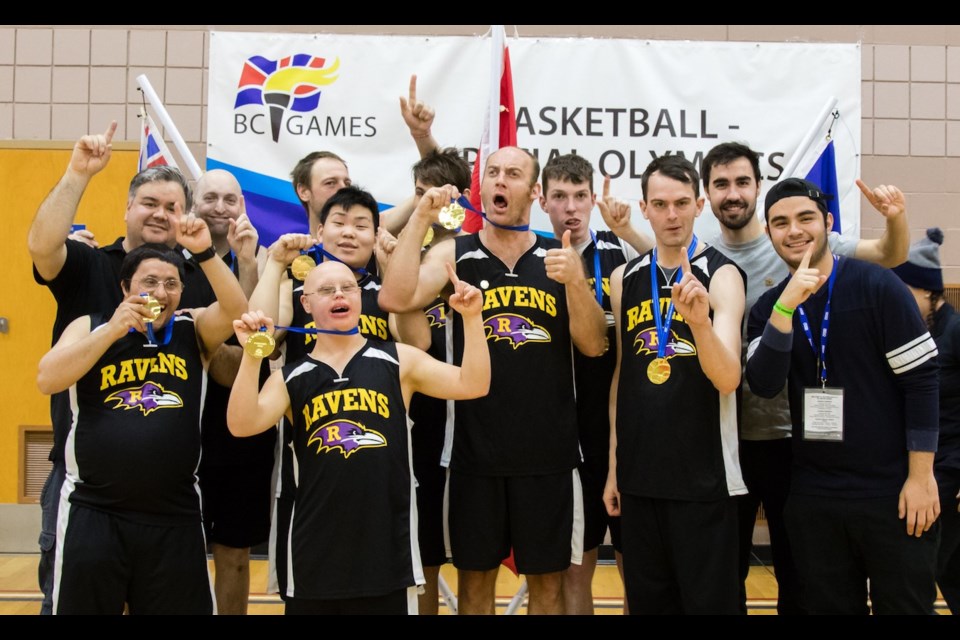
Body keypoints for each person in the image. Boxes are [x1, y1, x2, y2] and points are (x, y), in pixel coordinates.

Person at [379, 148, 607, 615]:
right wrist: (422, 217)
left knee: (548, 586)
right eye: (493, 173)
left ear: (534, 191)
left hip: (548, 454)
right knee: (474, 585)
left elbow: (592, 345)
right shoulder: (453, 252)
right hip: (471, 450)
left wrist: (577, 283)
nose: (500, 181)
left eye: (513, 173)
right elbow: (396, 296)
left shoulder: (558, 258)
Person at [700, 141, 911, 614]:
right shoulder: (704, 255)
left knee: (801, 570)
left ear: (757, 187)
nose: (732, 193)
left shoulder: (797, 236)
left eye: (741, 182)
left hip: (794, 437)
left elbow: (889, 254)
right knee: (722, 566)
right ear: (707, 195)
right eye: (720, 185)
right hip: (727, 435)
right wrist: (628, 227)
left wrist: (895, 217)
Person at [227, 259, 490, 614]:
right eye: (326, 290)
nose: (339, 294)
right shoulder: (291, 377)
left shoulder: (398, 360)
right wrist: (250, 355)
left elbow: (473, 384)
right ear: (305, 304)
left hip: (387, 550)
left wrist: (472, 320)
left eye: (347, 287)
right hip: (314, 551)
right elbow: (242, 424)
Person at [26, 122, 216, 614]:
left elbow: (231, 335)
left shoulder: (195, 280)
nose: (160, 214)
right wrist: (78, 172)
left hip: (171, 497)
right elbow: (42, 248)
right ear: (127, 208)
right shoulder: (92, 264)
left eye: (173, 207)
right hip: (84, 487)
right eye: (149, 203)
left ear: (185, 217)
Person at [36, 210, 247, 614]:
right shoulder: (91, 325)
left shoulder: (192, 328)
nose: (161, 291)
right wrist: (113, 329)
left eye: (171, 284)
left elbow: (236, 308)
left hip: (175, 513)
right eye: (149, 281)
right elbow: (48, 378)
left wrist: (204, 252)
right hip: (94, 510)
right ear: (124, 287)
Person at [746, 178, 940, 615]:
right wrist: (784, 309)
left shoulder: (877, 287)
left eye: (805, 219)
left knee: (906, 607)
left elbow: (923, 382)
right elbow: (763, 384)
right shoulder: (770, 307)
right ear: (769, 232)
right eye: (780, 223)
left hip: (892, 490)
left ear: (828, 224)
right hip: (814, 496)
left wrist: (921, 477)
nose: (793, 230)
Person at [603, 155, 746, 614]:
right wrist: (613, 465)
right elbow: (623, 377)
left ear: (699, 204)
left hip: (704, 480)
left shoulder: (722, 275)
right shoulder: (625, 278)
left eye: (682, 203)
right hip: (641, 477)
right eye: (660, 204)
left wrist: (700, 325)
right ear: (643, 207)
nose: (671, 215)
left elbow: (728, 378)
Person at [539, 153, 652, 614]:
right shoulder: (534, 259)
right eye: (560, 196)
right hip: (565, 438)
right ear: (541, 200)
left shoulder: (619, 252)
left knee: (638, 568)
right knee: (575, 570)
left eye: (580, 196)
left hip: (626, 433)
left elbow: (672, 266)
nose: (571, 207)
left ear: (592, 199)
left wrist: (626, 229)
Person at [192, 168, 275, 615]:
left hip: (240, 430)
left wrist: (246, 265)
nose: (220, 208)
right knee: (175, 551)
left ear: (242, 205)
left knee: (235, 552)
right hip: (182, 429)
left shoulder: (262, 262)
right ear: (193, 203)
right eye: (210, 198)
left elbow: (248, 336)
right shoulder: (168, 261)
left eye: (229, 199)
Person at [892, 228, 960, 615]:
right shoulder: (911, 331)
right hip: (930, 468)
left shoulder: (956, 332)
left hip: (951, 471)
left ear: (932, 294)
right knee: (948, 571)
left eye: (908, 293)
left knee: (922, 572)